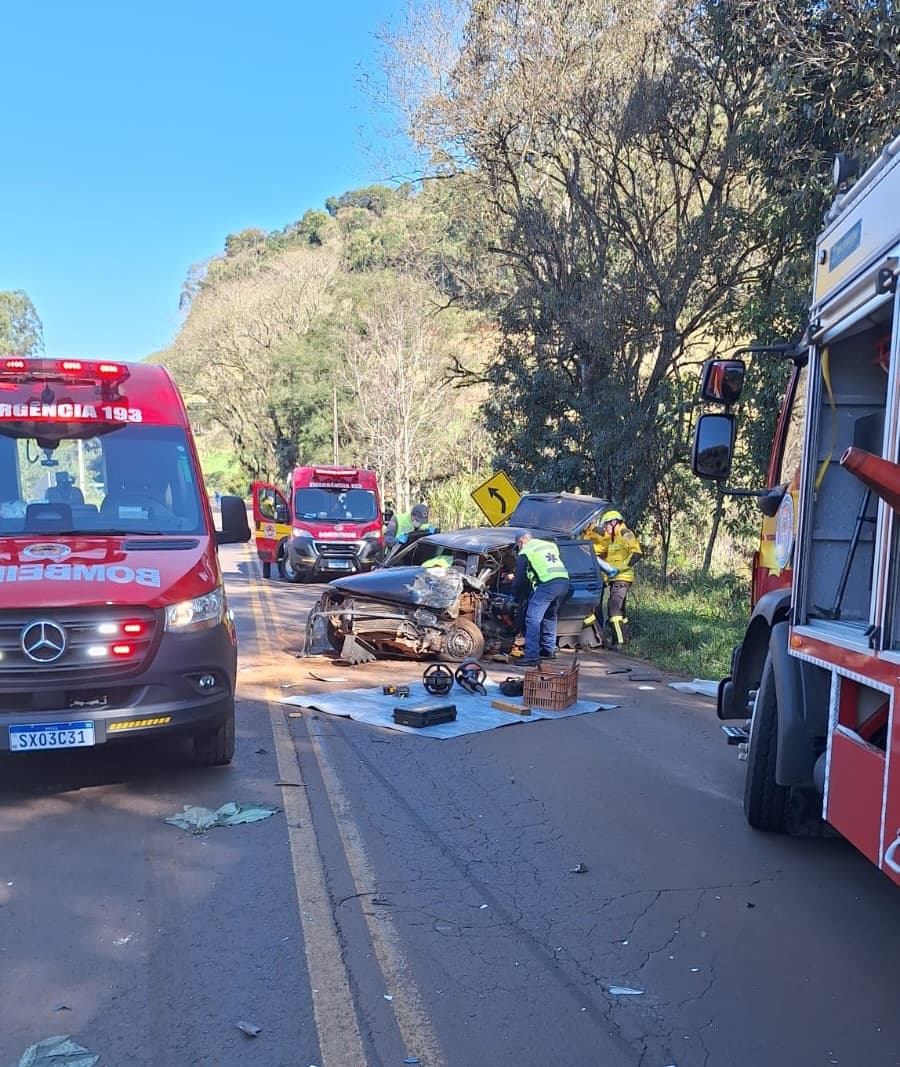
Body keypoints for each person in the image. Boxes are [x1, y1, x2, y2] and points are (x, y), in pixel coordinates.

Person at [510, 531, 571, 666]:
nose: (518, 548)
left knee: (532, 618)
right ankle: (549, 651)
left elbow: (519, 579)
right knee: (550, 615)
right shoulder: (548, 545)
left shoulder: (525, 552)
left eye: (517, 546)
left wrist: (513, 595)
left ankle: (532, 655)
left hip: (547, 584)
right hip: (564, 581)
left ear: (520, 542)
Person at [588, 509, 643, 649]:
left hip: (622, 577)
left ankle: (619, 642)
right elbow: (599, 549)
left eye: (606, 525)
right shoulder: (613, 538)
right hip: (615, 579)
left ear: (614, 522)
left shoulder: (625, 534)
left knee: (614, 609)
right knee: (620, 610)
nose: (605, 529)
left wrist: (621, 568)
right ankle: (626, 638)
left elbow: (637, 553)